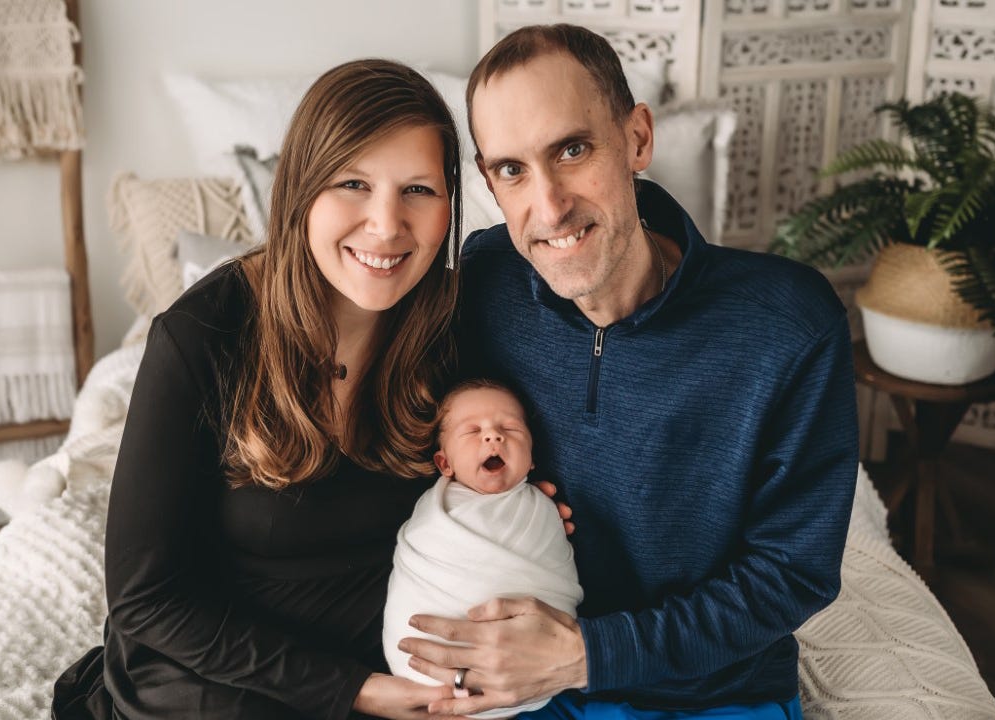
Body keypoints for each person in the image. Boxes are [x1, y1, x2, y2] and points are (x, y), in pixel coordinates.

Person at [397, 24, 859, 719]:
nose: (548, 207)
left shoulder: (785, 323)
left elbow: (791, 573)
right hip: (521, 685)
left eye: (572, 150)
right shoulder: (485, 280)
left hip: (710, 696)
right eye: (512, 170)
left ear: (637, 139)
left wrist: (588, 652)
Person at [52, 59, 465, 720]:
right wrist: (355, 691)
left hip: (380, 659)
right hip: (215, 669)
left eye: (417, 189)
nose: (387, 224)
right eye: (352, 183)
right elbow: (145, 598)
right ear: (299, 190)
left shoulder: (455, 326)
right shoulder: (200, 335)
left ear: (451, 202)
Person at [382, 379, 583, 719]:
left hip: (534, 671)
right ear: (445, 464)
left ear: (532, 459)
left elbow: (556, 584)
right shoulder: (434, 512)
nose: (493, 436)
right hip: (424, 675)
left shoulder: (543, 510)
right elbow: (415, 565)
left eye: (510, 428)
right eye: (472, 430)